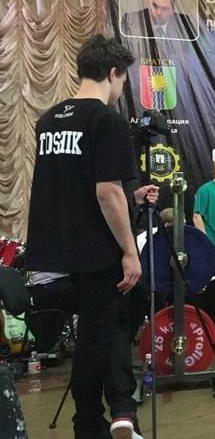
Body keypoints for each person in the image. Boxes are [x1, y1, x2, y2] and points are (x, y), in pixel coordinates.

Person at [25, 35, 158, 439]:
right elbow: (105, 192)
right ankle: (91, 423)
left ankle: (110, 415)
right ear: (114, 73)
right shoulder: (106, 120)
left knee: (94, 334)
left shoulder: (49, 120)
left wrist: (131, 197)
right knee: (98, 337)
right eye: (123, 79)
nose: (121, 89)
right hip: (93, 256)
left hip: (51, 255)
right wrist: (129, 251)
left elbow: (74, 187)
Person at [121, 0, 196, 40]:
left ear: (172, 11)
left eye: (164, 9)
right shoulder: (130, 20)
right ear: (148, 4)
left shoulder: (183, 23)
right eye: (155, 6)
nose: (158, 12)